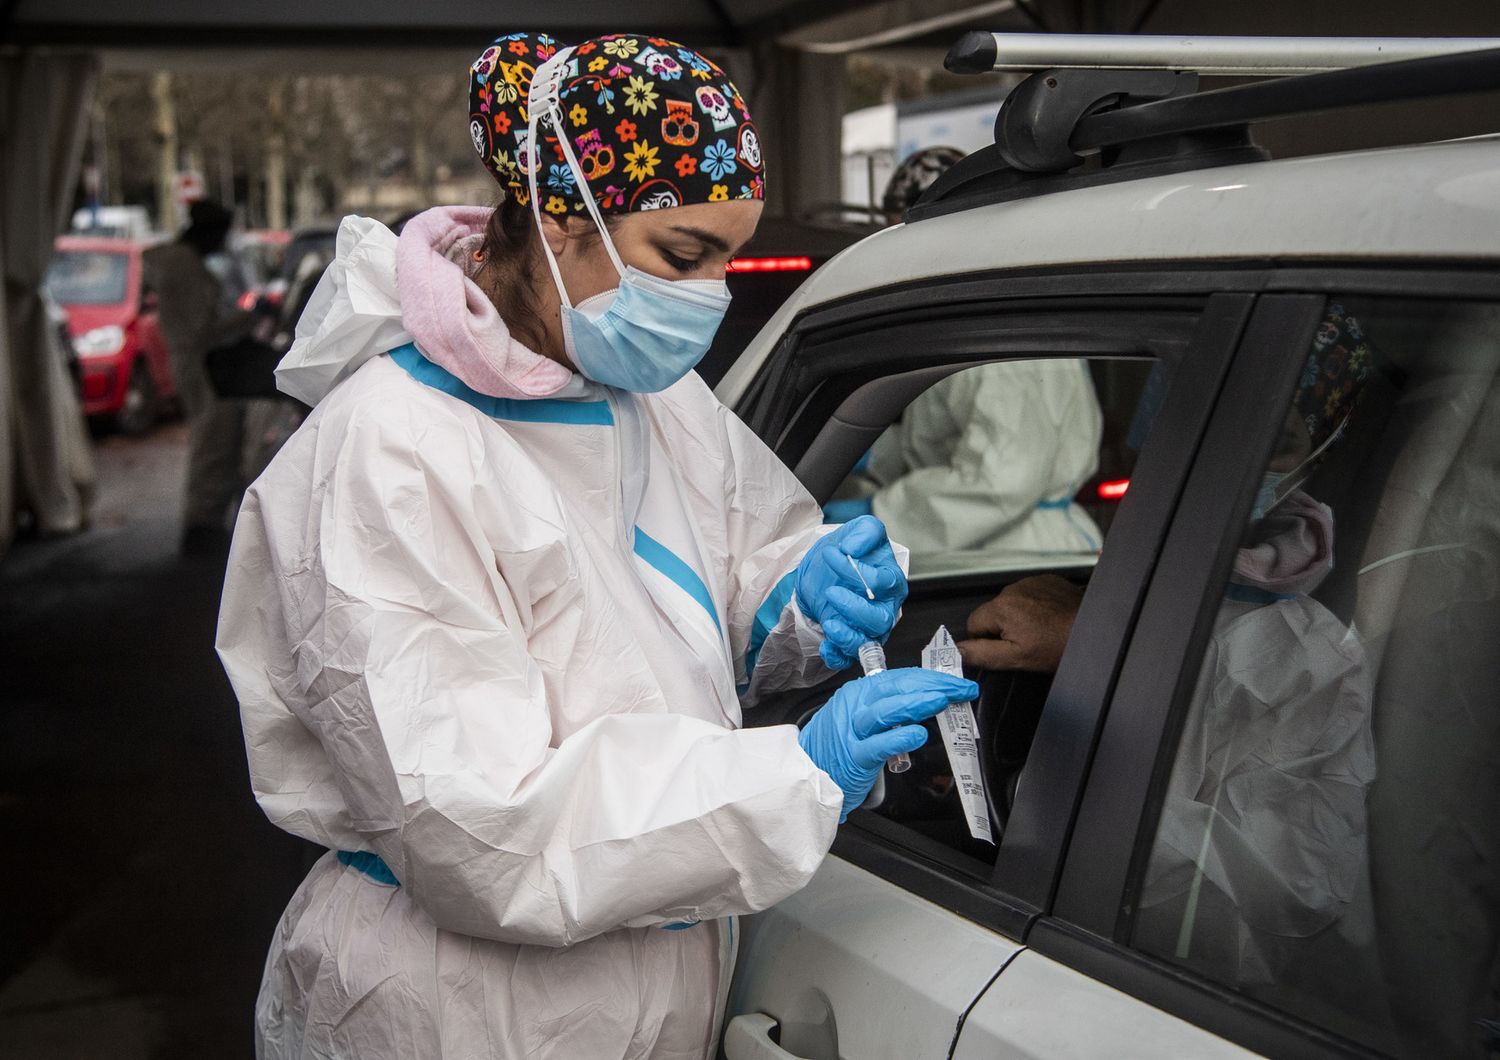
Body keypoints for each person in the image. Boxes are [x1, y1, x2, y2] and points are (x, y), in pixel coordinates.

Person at [215, 32, 975, 1059]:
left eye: (728, 256)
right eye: (683, 255)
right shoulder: (391, 449)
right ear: (563, 221)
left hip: (646, 969)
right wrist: (798, 772)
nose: (709, 295)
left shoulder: (647, 393)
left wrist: (797, 603)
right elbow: (479, 826)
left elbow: (685, 608)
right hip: (461, 1008)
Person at [959, 307, 1379, 993]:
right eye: (1204, 428)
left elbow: (1279, 891)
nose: (1231, 460)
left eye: (1279, 441)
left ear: (1318, 456)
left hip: (1169, 989)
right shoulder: (1133, 578)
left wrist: (1104, 661)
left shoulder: (1313, 656)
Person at [825, 360, 1104, 561]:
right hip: (1021, 542)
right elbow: (951, 442)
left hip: (1005, 550)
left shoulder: (991, 355)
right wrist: (875, 454)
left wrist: (880, 513)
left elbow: (1005, 479)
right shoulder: (1002, 331)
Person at [142, 198, 252, 554]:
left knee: (213, 438)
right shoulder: (184, 267)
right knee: (212, 440)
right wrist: (248, 318)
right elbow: (201, 330)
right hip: (200, 363)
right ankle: (201, 522)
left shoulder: (181, 263)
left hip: (195, 360)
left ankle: (206, 518)